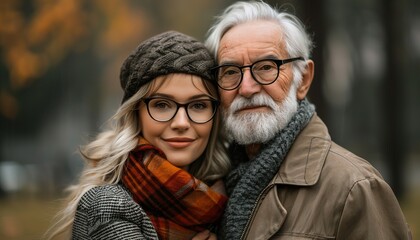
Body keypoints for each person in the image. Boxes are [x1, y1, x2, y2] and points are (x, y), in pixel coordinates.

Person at [205, 1, 412, 239]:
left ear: (303, 79)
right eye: (230, 72)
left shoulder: (354, 188)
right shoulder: (208, 189)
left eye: (265, 67)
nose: (247, 87)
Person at [46, 31, 230, 240]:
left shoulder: (225, 197)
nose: (181, 123)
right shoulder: (107, 207)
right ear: (136, 113)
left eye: (198, 105)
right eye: (162, 105)